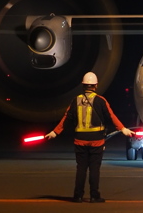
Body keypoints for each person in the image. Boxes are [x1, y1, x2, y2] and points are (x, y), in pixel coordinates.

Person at [45, 71, 133, 202]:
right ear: (96, 85)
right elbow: (111, 116)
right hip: (96, 141)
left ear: (83, 85)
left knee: (81, 169)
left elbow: (66, 119)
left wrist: (54, 132)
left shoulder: (76, 100)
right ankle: (94, 196)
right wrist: (123, 129)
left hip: (80, 141)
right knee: (94, 170)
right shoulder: (101, 101)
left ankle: (78, 195)